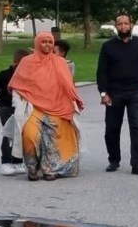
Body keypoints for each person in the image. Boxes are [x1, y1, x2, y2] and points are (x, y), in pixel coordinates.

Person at [11, 32, 87, 181]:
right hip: (33, 107)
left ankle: (50, 169)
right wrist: (19, 98)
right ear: (38, 43)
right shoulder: (27, 62)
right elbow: (18, 83)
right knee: (29, 134)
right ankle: (32, 168)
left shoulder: (59, 62)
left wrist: (75, 99)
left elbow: (68, 84)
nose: (47, 45)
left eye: (50, 42)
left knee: (53, 138)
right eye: (44, 42)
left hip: (57, 106)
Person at [96, 14, 138, 176]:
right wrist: (103, 93)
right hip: (114, 92)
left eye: (126, 24)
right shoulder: (108, 46)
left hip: (136, 91)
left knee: (137, 126)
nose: (123, 27)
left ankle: (137, 164)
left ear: (131, 25)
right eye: (120, 24)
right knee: (112, 128)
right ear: (116, 26)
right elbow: (101, 71)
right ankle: (114, 160)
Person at [0, 49, 32, 177]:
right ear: (15, 62)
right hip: (6, 107)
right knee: (9, 132)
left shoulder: (29, 75)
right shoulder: (5, 74)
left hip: (23, 108)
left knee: (21, 133)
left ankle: (18, 161)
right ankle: (6, 161)